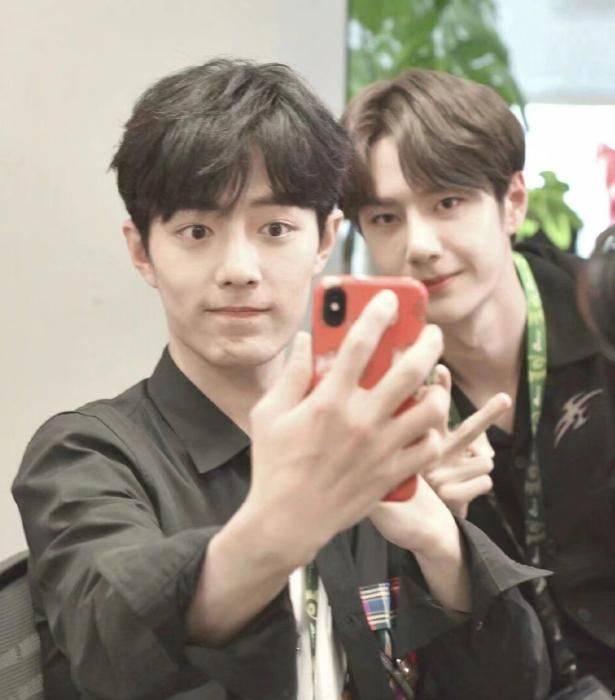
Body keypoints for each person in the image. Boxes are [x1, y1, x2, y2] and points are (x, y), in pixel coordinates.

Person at [13, 59, 550, 700]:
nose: (239, 268)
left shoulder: (365, 442)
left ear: (324, 239)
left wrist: (437, 537)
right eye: (196, 231)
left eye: (275, 229)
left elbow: (515, 682)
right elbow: (112, 643)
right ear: (141, 250)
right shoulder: (84, 456)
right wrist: (283, 524)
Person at [342, 68, 615, 695]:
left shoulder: (601, 319)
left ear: (513, 202)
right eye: (385, 217)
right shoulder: (372, 402)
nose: (419, 245)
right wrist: (439, 535)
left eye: (447, 203)